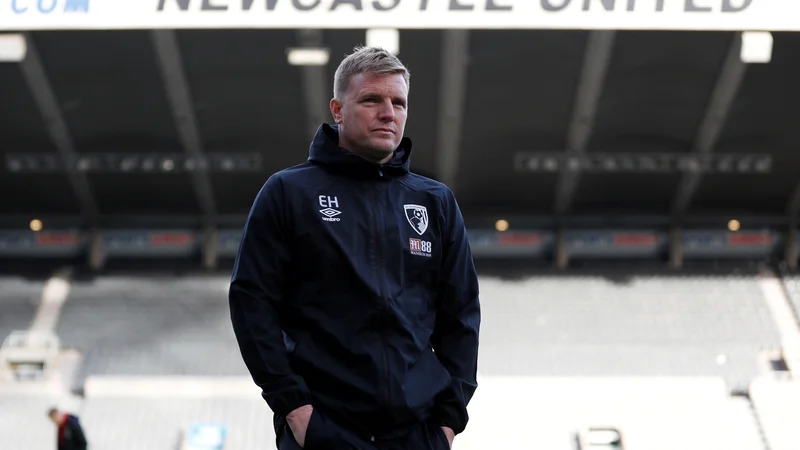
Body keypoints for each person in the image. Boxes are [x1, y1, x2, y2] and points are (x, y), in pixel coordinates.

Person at [229, 45, 480, 450]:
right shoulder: (289, 192)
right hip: (324, 430)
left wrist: (448, 423)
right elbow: (251, 302)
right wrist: (295, 409)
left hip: (417, 435)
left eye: (398, 102)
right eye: (371, 100)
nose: (388, 112)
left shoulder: (435, 201)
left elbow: (461, 316)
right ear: (338, 109)